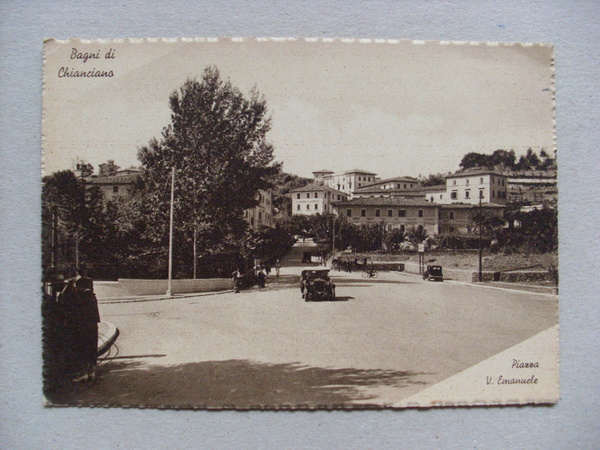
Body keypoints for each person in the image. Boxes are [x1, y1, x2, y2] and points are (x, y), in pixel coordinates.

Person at [61, 265, 100, 382]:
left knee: (81, 348)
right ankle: (91, 372)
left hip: (81, 326)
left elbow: (63, 297)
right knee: (91, 348)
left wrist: (69, 284)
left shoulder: (77, 296)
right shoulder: (92, 297)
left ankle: (82, 373)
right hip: (93, 325)